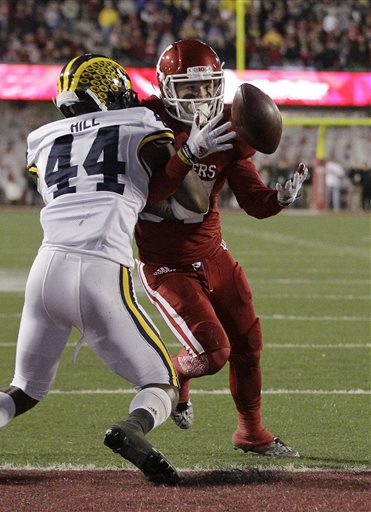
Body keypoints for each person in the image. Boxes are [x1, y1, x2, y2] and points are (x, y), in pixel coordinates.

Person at [0, 53, 234, 484]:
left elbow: (98, 186)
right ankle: (130, 430)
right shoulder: (139, 122)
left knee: (24, 388)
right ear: (108, 94)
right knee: (161, 381)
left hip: (45, 270)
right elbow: (191, 202)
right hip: (101, 268)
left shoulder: (41, 139)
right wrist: (189, 152)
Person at [135, 39, 308, 457]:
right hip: (166, 264)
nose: (199, 99)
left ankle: (251, 432)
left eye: (206, 87)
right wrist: (189, 152)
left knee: (248, 343)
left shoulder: (230, 130)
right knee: (213, 353)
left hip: (212, 252)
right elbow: (151, 192)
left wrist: (278, 199)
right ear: (165, 88)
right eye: (187, 89)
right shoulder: (145, 123)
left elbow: (252, 200)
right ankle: (176, 372)